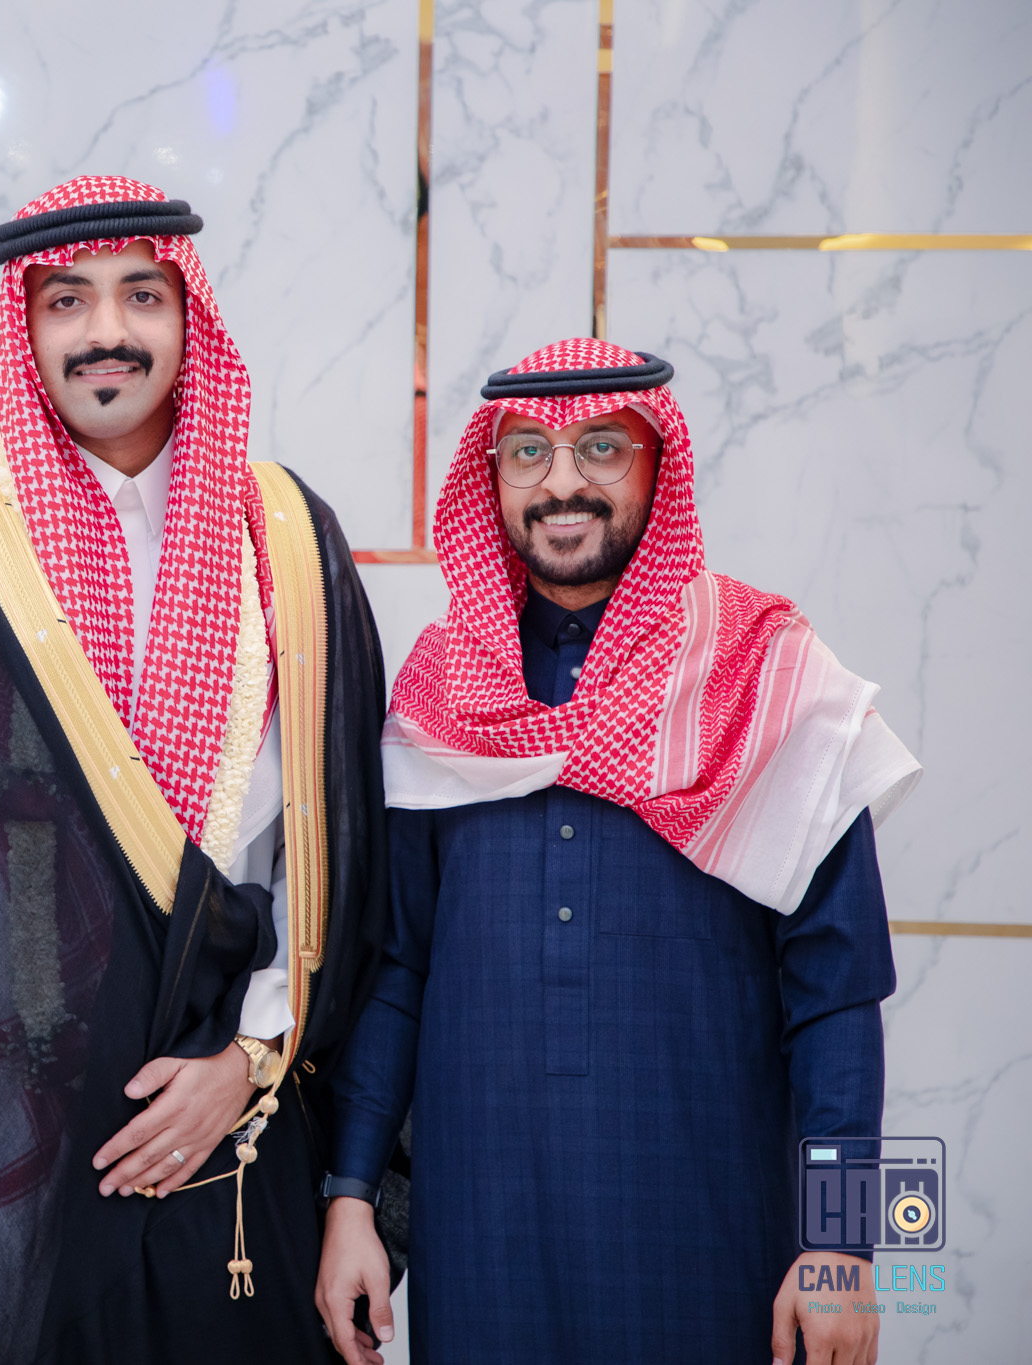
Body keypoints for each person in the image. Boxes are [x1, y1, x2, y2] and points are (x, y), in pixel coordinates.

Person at [0, 176, 395, 1365]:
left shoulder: (285, 536)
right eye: (66, 300)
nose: (106, 331)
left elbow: (335, 849)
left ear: (187, 317)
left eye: (141, 295)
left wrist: (251, 1058)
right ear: (24, 324)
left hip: (226, 1123)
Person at [316, 339, 922, 1365]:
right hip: (483, 1256)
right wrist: (347, 1202)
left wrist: (842, 1248)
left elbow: (839, 996)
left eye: (600, 446)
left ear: (657, 463)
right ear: (490, 477)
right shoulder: (438, 699)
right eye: (526, 452)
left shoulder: (767, 680)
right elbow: (395, 973)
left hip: (710, 1252)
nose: (561, 482)